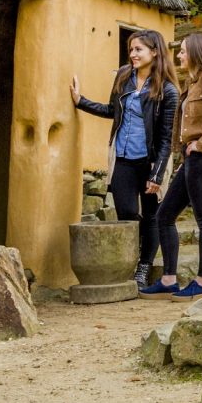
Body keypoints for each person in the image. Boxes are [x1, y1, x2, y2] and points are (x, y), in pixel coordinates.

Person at [71, 30, 179, 287]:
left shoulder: (168, 90)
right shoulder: (123, 76)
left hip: (151, 161)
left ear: (154, 52)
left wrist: (157, 175)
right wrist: (80, 102)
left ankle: (143, 266)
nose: (132, 54)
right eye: (131, 49)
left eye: (138, 49)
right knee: (127, 212)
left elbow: (166, 139)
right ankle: (134, 255)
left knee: (152, 215)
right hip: (122, 156)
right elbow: (112, 111)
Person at [139, 32, 202, 301]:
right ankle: (168, 279)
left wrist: (201, 144)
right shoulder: (191, 82)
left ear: (198, 53)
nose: (179, 55)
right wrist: (184, 158)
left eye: (183, 51)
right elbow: (184, 126)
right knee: (164, 215)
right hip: (192, 160)